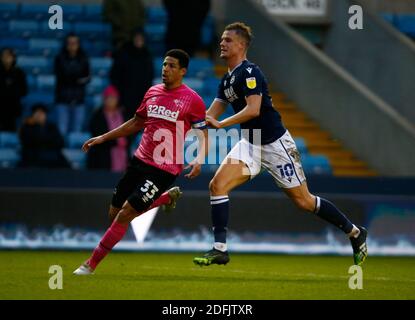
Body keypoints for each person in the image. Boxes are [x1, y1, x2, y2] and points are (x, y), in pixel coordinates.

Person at [193, 22, 368, 267]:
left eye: (228, 40)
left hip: (275, 146)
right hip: (250, 145)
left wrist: (222, 125)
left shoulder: (251, 72)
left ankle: (355, 233)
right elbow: (209, 116)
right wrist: (188, 121)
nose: (222, 43)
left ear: (241, 45)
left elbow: (253, 110)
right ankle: (220, 249)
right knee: (217, 185)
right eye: (221, 39)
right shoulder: (227, 80)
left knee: (304, 201)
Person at [73, 49, 208, 275]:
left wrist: (199, 159)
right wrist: (103, 137)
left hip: (164, 168)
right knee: (114, 215)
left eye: (172, 66)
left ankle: (90, 264)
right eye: (165, 64)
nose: (166, 69)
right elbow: (136, 123)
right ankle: (164, 198)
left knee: (126, 213)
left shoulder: (193, 100)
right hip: (139, 160)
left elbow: (203, 134)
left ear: (183, 71)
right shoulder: (153, 92)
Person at [110, 28, 154, 118]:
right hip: (125, 96)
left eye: (141, 39)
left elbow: (150, 76)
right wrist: (121, 95)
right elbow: (115, 74)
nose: (139, 41)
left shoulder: (147, 54)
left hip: (141, 97)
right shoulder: (124, 53)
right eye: (137, 38)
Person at [54, 33, 90, 135]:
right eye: (70, 43)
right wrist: (75, 78)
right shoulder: (59, 58)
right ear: (66, 44)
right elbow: (60, 76)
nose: (72, 45)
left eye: (74, 43)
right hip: (62, 99)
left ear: (78, 44)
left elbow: (87, 77)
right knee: (61, 130)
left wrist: (72, 78)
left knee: (76, 132)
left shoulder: (84, 58)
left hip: (79, 100)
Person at [87, 85, 128, 172]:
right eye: (109, 98)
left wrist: (125, 140)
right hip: (103, 155)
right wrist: (117, 141)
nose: (112, 100)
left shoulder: (123, 114)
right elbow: (98, 135)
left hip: (122, 153)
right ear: (104, 99)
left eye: (114, 98)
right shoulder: (97, 116)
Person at [19, 104, 69, 168]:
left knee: (62, 160)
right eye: (37, 113)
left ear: (45, 115)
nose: (39, 116)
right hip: (33, 155)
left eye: (42, 113)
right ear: (33, 115)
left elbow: (60, 142)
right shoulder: (27, 126)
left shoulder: (52, 127)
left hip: (50, 154)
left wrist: (45, 141)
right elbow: (26, 141)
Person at [0, 48, 28, 132]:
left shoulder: (19, 73)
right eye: (4, 56)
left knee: (12, 131)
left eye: (9, 56)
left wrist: (12, 92)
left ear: (13, 58)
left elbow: (24, 91)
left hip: (14, 108)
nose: (6, 59)